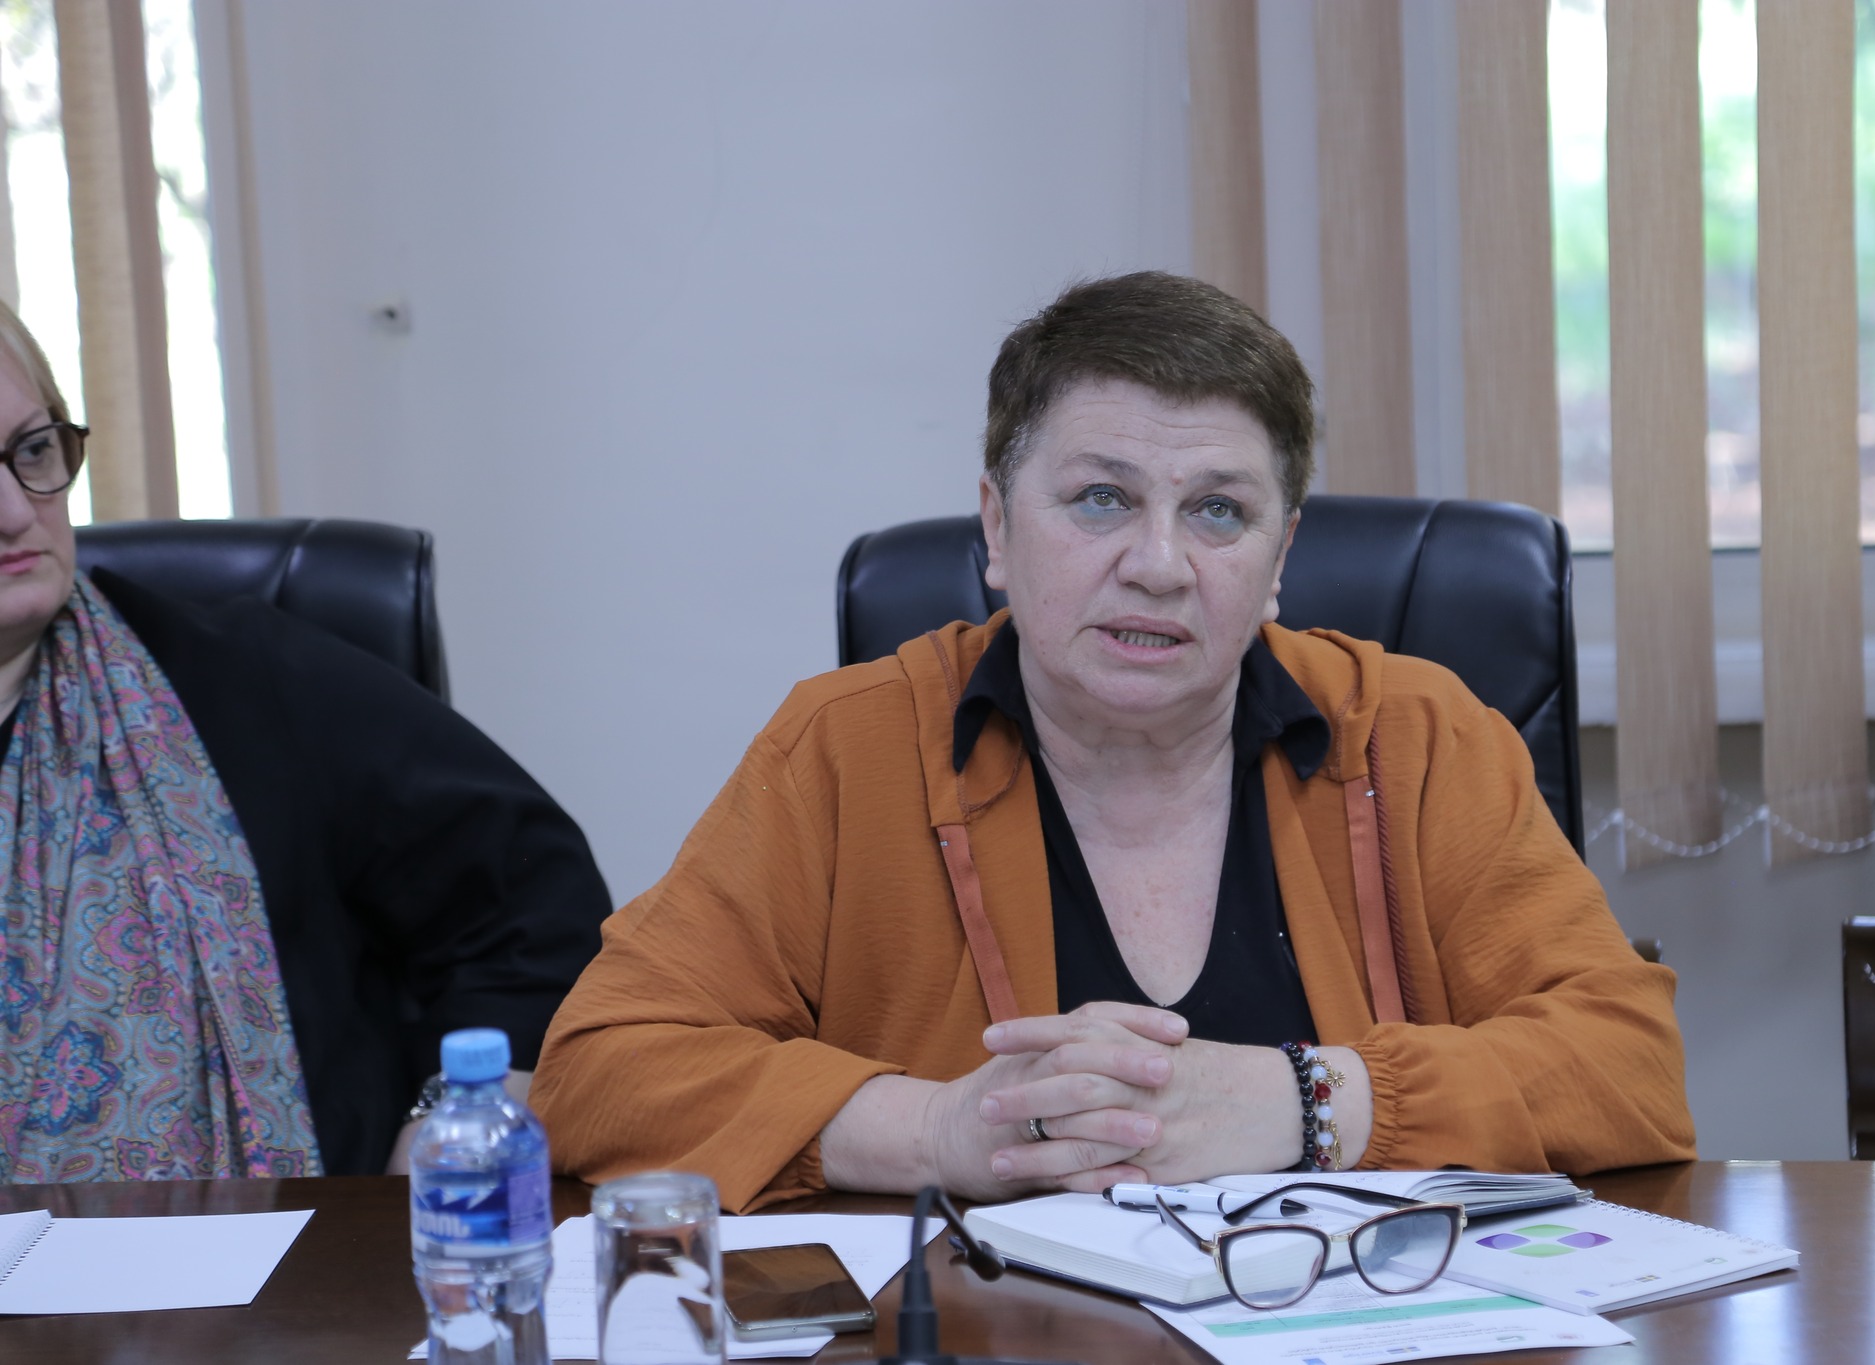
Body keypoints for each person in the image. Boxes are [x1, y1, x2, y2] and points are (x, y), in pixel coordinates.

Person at [532, 272, 1693, 1212]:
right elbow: (598, 1071)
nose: (1157, 565)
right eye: (1100, 498)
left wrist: (1304, 1102)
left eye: (1217, 510)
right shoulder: (846, 747)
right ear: (997, 526)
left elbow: (1627, 1068)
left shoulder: (1415, 736)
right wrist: (943, 1127)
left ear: (1279, 559)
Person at [0, 303, 610, 1181]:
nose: (16, 511)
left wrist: (448, 1124)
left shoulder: (243, 681)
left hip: (294, 1255)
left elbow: (537, 907)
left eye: (32, 450)